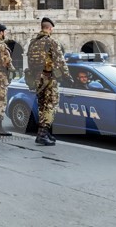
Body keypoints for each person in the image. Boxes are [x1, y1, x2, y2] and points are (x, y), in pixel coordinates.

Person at [27, 17, 72, 146]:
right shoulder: (51, 41)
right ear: (49, 28)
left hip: (37, 78)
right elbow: (60, 61)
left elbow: (30, 61)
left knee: (42, 105)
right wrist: (68, 77)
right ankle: (41, 135)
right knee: (50, 106)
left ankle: (45, 133)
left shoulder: (33, 42)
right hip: (49, 77)